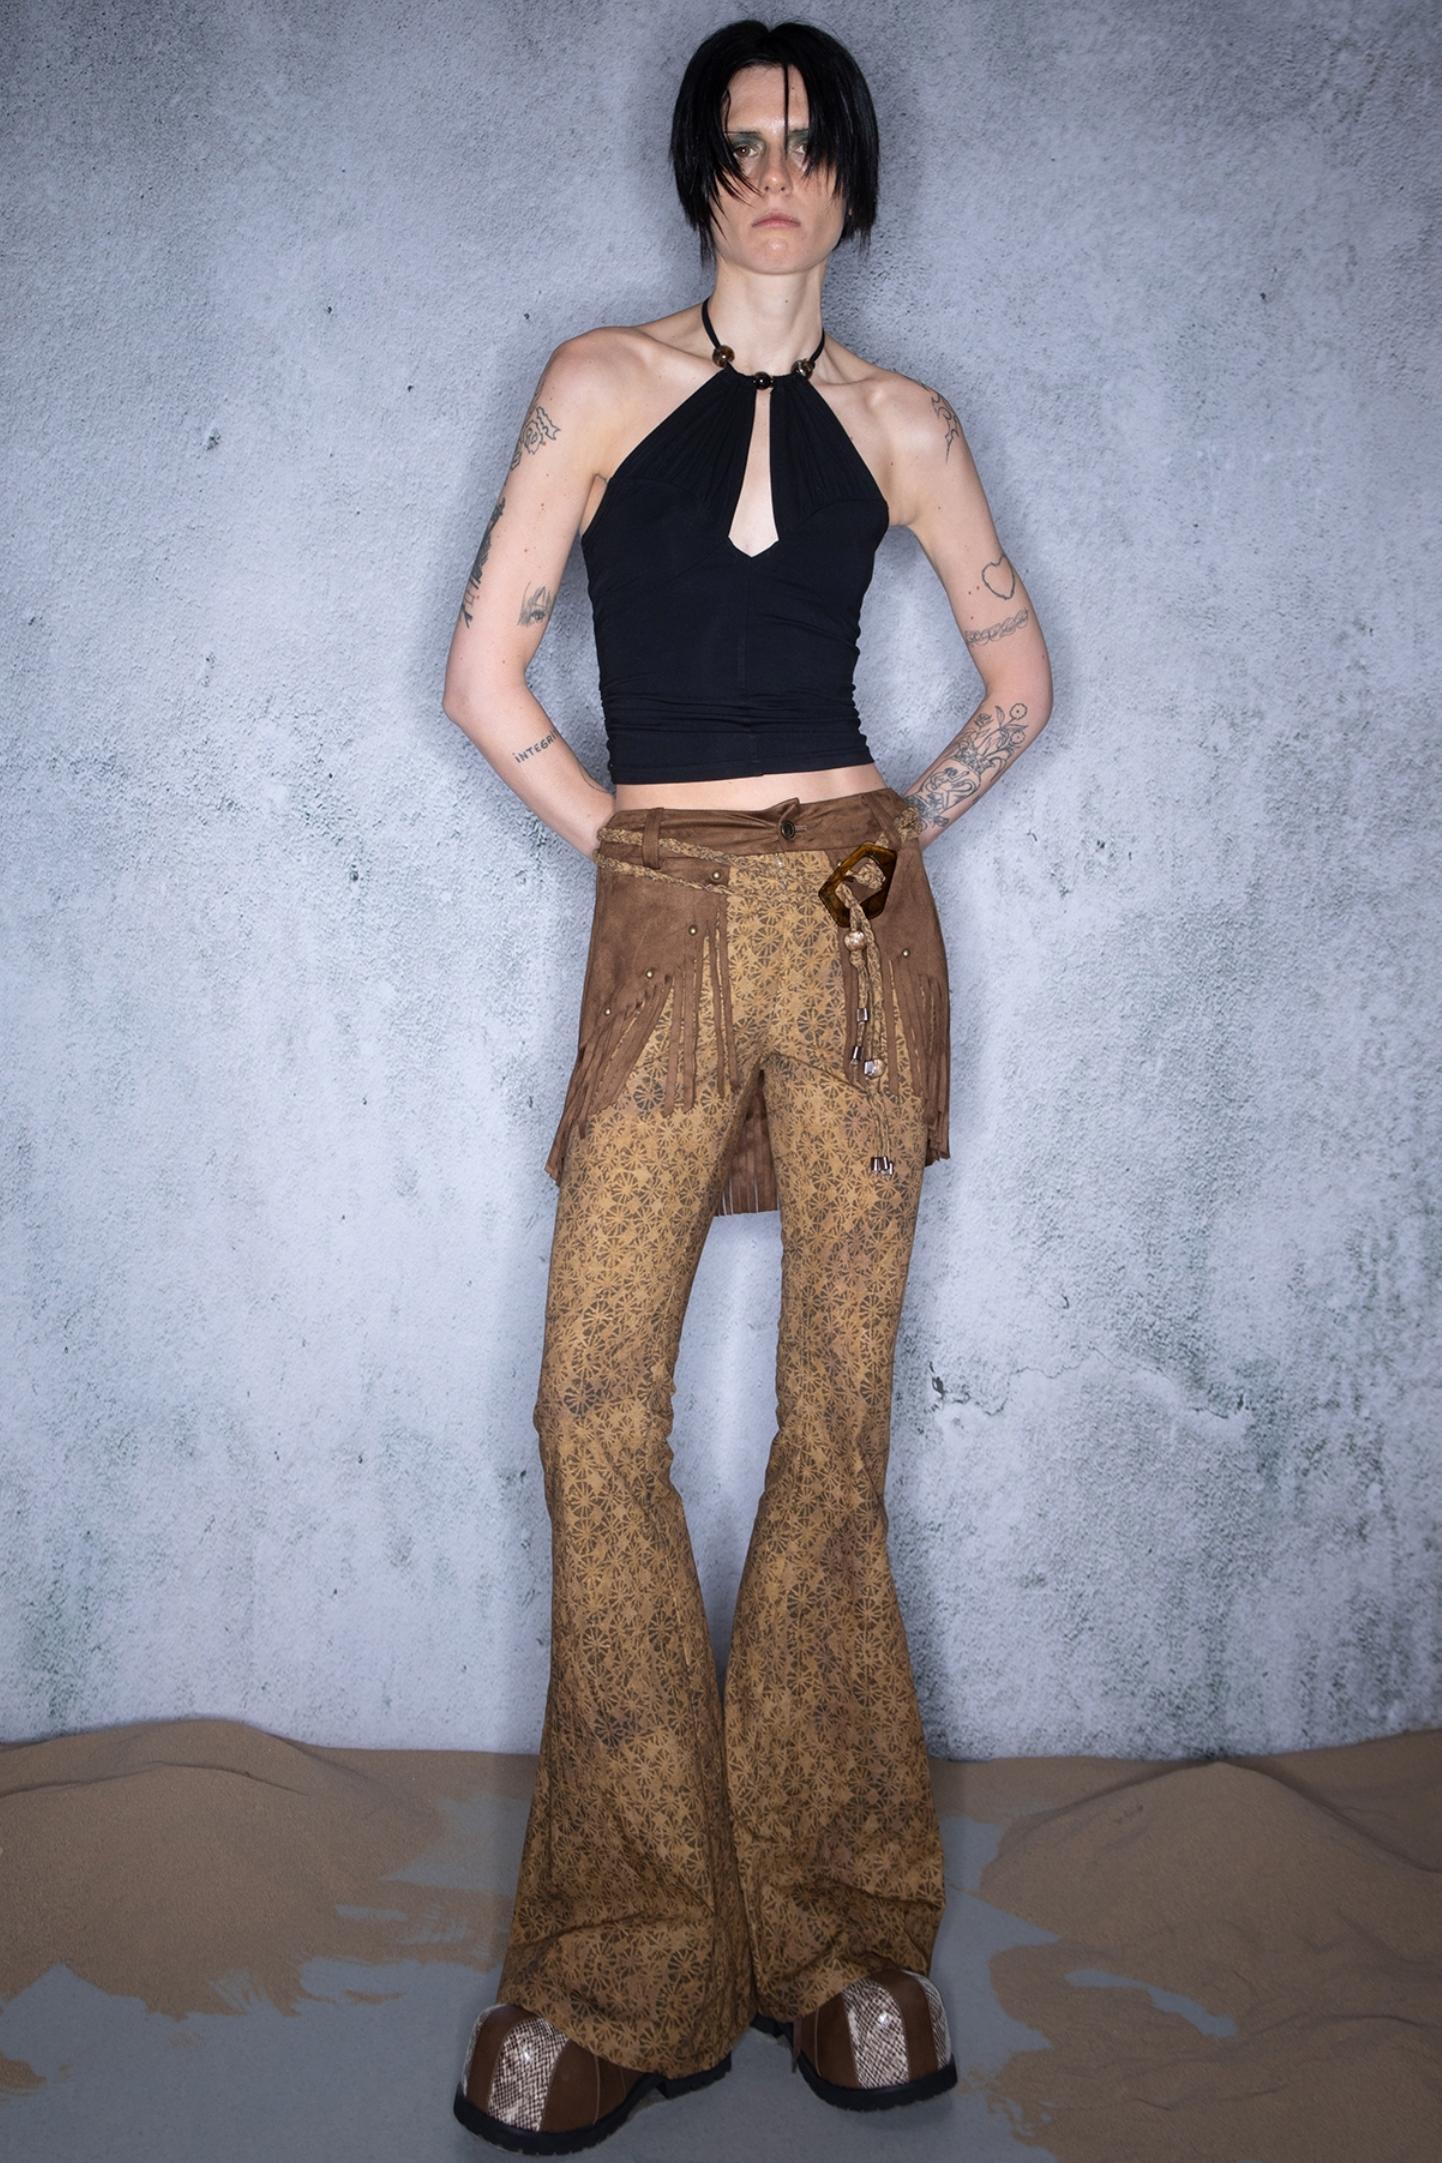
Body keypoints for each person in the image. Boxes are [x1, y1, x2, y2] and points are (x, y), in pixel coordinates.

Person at [440, 17, 1052, 2152]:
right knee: (590, 1404)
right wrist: (625, 847)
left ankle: (837, 1937)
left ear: (850, 175)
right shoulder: (599, 382)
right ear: (698, 173)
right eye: (739, 144)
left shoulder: (904, 418)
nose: (773, 176)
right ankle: (626, 1955)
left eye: (803, 144)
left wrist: (887, 849)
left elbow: (1015, 679)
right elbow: (483, 672)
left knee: (831, 1424)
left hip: (858, 920)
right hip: (667, 910)